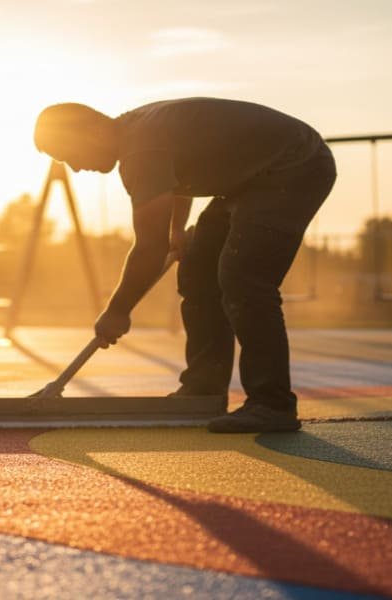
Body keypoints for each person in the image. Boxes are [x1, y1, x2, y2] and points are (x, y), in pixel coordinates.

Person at [33, 98, 336, 433]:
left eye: (69, 155)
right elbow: (175, 177)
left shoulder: (140, 151)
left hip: (295, 166)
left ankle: (272, 404)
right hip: (251, 180)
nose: (75, 168)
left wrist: (118, 310)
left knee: (243, 278)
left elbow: (150, 248)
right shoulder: (137, 134)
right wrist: (177, 229)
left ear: (91, 132)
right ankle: (204, 390)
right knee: (198, 272)